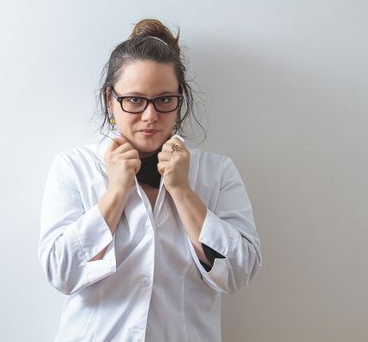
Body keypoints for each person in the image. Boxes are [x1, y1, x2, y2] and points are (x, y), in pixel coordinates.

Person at [38, 18, 262, 342]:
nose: (150, 116)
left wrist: (183, 191)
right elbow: (60, 271)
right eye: (134, 100)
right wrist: (115, 193)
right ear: (109, 100)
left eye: (164, 100)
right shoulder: (74, 168)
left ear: (179, 99)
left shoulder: (218, 173)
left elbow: (240, 271)